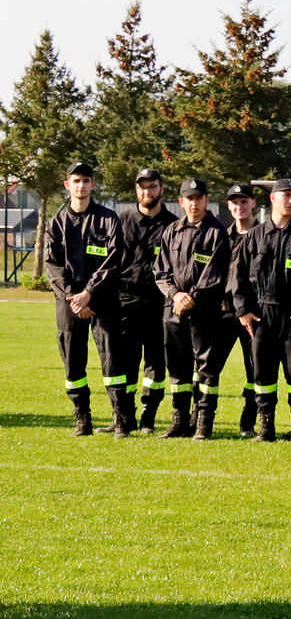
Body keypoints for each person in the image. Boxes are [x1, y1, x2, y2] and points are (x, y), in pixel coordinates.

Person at [46, 162, 130, 436]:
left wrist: (89, 293)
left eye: (86, 180)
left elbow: (113, 260)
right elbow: (53, 266)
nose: (81, 185)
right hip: (69, 303)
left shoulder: (108, 219)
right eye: (76, 180)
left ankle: (121, 421)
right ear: (67, 185)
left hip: (103, 300)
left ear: (93, 185)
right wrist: (73, 297)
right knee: (72, 360)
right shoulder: (56, 223)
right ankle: (82, 419)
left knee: (113, 360)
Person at [231, 178, 291, 442]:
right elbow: (238, 276)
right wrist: (243, 310)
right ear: (272, 198)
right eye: (286, 196)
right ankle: (265, 428)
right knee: (262, 375)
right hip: (261, 317)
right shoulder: (254, 236)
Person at [153, 179, 233, 439]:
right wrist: (175, 295)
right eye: (189, 198)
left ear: (206, 200)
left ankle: (203, 423)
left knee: (206, 369)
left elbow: (215, 274)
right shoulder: (172, 231)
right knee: (178, 368)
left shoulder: (217, 232)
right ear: (181, 202)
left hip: (205, 312)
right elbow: (160, 271)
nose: (194, 203)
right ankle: (180, 421)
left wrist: (192, 297)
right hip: (174, 310)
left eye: (199, 198)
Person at [115, 167, 177, 433]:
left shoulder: (173, 225)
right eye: (142, 187)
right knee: (125, 362)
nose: (147, 191)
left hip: (159, 305)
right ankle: (125, 417)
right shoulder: (121, 222)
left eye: (152, 186)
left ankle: (148, 417)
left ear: (161, 189)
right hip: (125, 303)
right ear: (136, 190)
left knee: (156, 363)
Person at [216, 184, 262, 437]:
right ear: (229, 206)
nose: (239, 207)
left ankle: (248, 422)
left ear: (253, 203)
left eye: (244, 201)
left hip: (253, 315)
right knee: (209, 367)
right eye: (234, 202)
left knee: (255, 370)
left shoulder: (263, 235)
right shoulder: (221, 236)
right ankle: (200, 421)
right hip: (223, 312)